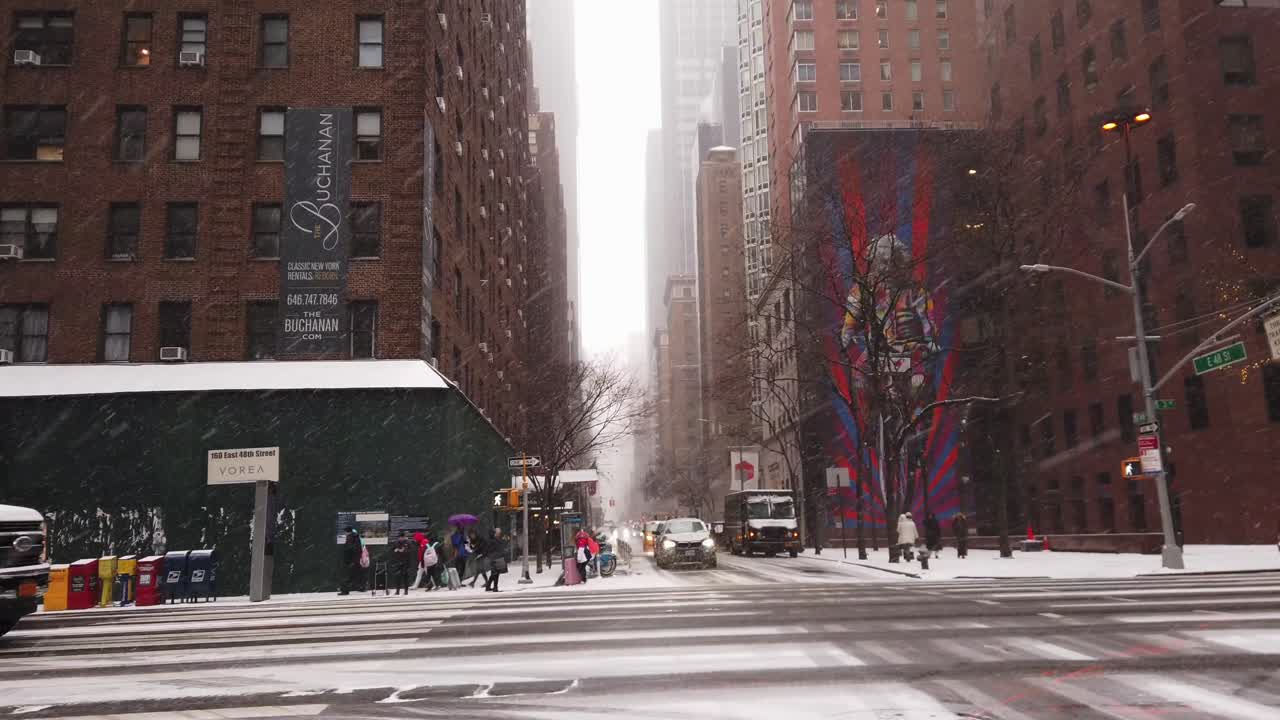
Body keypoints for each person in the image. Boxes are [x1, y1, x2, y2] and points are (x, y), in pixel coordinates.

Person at [389, 529, 415, 595]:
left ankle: (406, 590)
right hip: (398, 561)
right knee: (398, 576)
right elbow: (391, 550)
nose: (401, 539)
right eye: (400, 538)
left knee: (405, 576)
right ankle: (397, 590)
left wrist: (404, 551)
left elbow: (411, 551)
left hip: (406, 562)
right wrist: (396, 550)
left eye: (402, 537)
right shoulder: (396, 542)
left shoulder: (408, 542)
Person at [483, 528, 508, 592]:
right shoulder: (493, 541)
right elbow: (496, 549)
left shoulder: (494, 540)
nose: (499, 534)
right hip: (495, 558)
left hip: (495, 558)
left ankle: (488, 586)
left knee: (494, 573)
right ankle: (495, 587)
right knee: (496, 573)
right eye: (498, 533)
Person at [339, 526, 362, 595]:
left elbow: (349, 550)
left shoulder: (350, 538)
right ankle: (360, 586)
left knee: (348, 576)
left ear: (347, 532)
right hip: (354, 560)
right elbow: (358, 549)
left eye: (345, 532)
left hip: (351, 560)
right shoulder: (356, 537)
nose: (344, 534)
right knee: (352, 576)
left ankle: (345, 590)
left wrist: (350, 560)